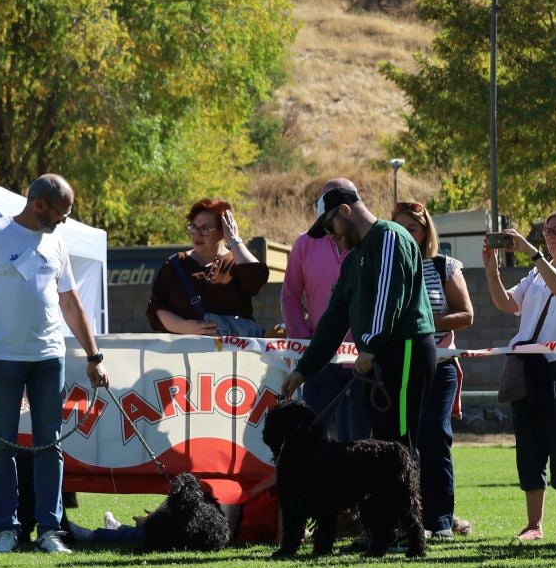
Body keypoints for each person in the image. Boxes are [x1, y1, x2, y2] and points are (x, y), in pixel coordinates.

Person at [0, 174, 110, 555]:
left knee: (50, 445)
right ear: (39, 204)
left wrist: (93, 356)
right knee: (1, 445)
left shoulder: (57, 240)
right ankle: (5, 529)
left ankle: (50, 530)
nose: (63, 221)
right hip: (3, 359)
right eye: (62, 213)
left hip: (48, 359)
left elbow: (70, 301)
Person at [277, 186, 437, 490]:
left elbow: (389, 295)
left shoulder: (389, 236)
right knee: (381, 445)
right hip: (382, 356)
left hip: (405, 350)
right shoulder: (354, 259)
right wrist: (304, 370)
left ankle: (406, 532)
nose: (328, 235)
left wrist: (371, 344)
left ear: (346, 211)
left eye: (329, 226)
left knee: (399, 447)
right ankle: (382, 531)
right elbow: (333, 319)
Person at [482, 210, 556, 542]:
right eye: (546, 231)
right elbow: (507, 303)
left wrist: (533, 253)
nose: (550, 236)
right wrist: (491, 270)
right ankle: (533, 524)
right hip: (528, 365)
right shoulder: (537, 273)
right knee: (528, 444)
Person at [391, 200, 473, 540]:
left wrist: (424, 323)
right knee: (401, 442)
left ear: (425, 232)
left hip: (440, 366)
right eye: (398, 229)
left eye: (412, 228)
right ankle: (404, 517)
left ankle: (439, 520)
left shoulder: (445, 267)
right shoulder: (387, 269)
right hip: (399, 366)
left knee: (435, 437)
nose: (405, 235)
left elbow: (466, 314)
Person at [281, 180, 370, 443]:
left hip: (363, 358)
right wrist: (306, 339)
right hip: (320, 357)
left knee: (358, 437)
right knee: (312, 434)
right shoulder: (304, 244)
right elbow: (289, 296)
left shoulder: (367, 240)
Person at [146, 199, 268, 336]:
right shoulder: (174, 264)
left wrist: (234, 241)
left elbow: (255, 281)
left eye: (205, 229)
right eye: (193, 227)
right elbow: (157, 307)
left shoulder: (236, 264)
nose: (197, 234)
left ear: (223, 231)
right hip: (183, 353)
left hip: (231, 354)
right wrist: (186, 327)